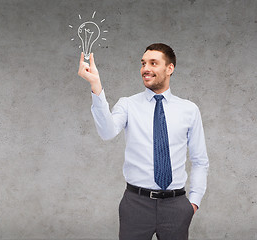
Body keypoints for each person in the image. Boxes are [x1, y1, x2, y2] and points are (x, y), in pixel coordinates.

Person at [78, 43, 209, 240]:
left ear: (169, 68)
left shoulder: (189, 110)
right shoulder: (128, 105)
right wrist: (96, 85)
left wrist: (194, 202)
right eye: (143, 63)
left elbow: (200, 160)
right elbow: (106, 132)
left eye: (153, 63)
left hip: (176, 205)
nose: (145, 69)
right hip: (136, 205)